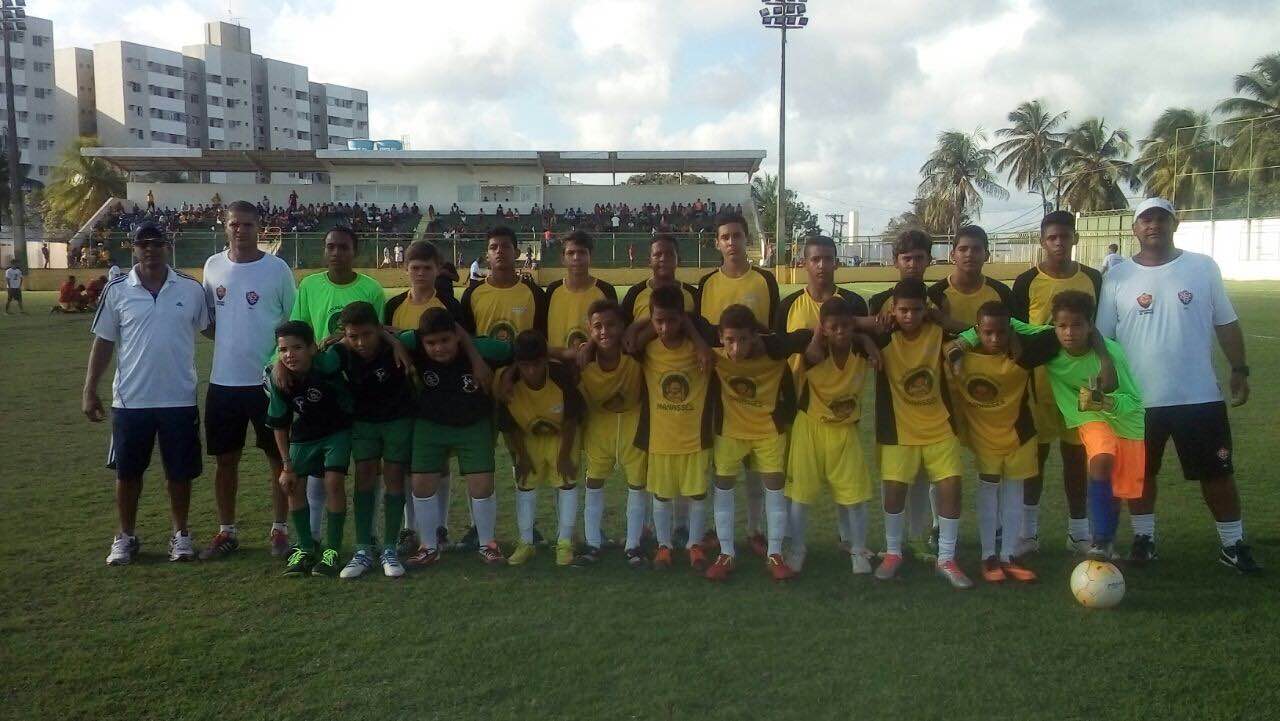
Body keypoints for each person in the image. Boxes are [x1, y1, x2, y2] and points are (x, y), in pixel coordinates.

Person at [1095, 197, 1260, 572]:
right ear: (1134, 229)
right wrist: (1103, 389)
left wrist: (1240, 369)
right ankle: (1144, 539)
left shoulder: (1202, 268)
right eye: (1145, 220)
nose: (1153, 225)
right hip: (1137, 400)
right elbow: (1103, 340)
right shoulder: (1117, 277)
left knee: (1218, 475)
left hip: (1199, 396)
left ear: (1175, 223)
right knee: (1139, 475)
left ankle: (1233, 545)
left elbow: (1226, 322)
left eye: (1161, 218)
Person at [958, 291, 1142, 562]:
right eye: (1062, 326)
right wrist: (966, 339)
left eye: (1077, 325)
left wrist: (1103, 363)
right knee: (1102, 461)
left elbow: (1131, 400)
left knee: (1118, 483)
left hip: (1123, 419)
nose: (1068, 333)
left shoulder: (1112, 353)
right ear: (1053, 326)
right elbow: (1010, 325)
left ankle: (1109, 539)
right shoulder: (1050, 344)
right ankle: (1100, 541)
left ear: (1090, 326)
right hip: (1089, 419)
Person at [83, 223, 209, 566]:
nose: (150, 250)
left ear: (167, 247)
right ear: (133, 248)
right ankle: (125, 536)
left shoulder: (190, 288)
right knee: (127, 473)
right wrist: (89, 389)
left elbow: (212, 330)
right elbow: (104, 341)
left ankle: (180, 534)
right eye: (143, 244)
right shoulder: (118, 289)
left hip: (179, 399)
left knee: (179, 473)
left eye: (157, 243)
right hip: (131, 401)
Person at [198, 201, 297, 560]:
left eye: (247, 225)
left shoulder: (277, 269)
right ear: (225, 227)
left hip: (269, 382)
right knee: (226, 460)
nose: (240, 230)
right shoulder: (212, 266)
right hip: (224, 382)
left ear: (260, 228)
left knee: (278, 458)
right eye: (234, 224)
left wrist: (279, 363)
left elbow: (291, 321)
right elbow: (208, 323)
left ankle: (280, 530)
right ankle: (227, 531)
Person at [1011, 211, 1102, 556]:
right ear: (1042, 241)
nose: (1059, 243)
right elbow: (1016, 334)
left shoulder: (1093, 278)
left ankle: (1078, 532)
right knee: (1035, 458)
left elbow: (1101, 329)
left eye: (1065, 236)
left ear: (1075, 239)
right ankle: (1028, 533)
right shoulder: (1026, 282)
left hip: (1084, 386)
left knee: (1078, 458)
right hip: (1040, 385)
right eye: (1052, 237)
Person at [871, 278, 971, 589]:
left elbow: (977, 330)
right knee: (894, 492)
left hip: (940, 426)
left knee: (951, 486)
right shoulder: (884, 336)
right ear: (892, 309)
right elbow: (839, 323)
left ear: (925, 309)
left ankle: (946, 558)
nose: (910, 317)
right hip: (898, 429)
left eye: (916, 310)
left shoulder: (938, 331)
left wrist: (942, 318)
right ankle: (892, 552)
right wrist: (874, 326)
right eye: (902, 310)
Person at [289, 225, 386, 546]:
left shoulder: (371, 288)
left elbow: (378, 336)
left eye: (343, 247)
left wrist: (345, 341)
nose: (336, 253)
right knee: (319, 470)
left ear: (354, 251)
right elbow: (299, 331)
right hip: (319, 390)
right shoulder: (309, 286)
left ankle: (368, 533)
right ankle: (314, 537)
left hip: (361, 388)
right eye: (330, 246)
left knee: (369, 466)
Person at [696, 210, 780, 555]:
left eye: (737, 236)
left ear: (748, 240)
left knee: (758, 467)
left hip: (758, 382)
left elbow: (774, 330)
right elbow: (703, 333)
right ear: (717, 242)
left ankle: (755, 529)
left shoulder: (764, 280)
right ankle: (720, 531)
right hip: (720, 382)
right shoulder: (708, 283)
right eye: (725, 237)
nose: (732, 242)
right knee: (724, 461)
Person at [706, 305, 810, 582]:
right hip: (729, 431)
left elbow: (806, 335)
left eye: (742, 339)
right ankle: (726, 552)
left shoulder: (776, 351)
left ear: (754, 336)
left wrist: (770, 340)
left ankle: (774, 553)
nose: (736, 348)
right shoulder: (715, 354)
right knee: (724, 486)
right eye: (729, 340)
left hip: (768, 432)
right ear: (720, 337)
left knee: (774, 488)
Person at [400, 308, 512, 567]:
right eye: (431, 343)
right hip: (431, 425)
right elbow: (380, 333)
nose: (438, 348)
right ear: (421, 340)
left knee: (481, 487)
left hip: (473, 424)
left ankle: (487, 544)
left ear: (457, 336)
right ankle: (428, 546)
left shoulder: (484, 348)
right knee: (421, 485)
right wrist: (393, 345)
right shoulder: (412, 342)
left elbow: (522, 352)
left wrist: (507, 375)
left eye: (445, 340)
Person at [943, 301, 1039, 583]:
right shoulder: (962, 355)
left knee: (1014, 492)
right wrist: (961, 349)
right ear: (977, 331)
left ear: (1010, 331)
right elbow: (947, 347)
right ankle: (988, 555)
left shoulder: (1023, 355)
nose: (994, 339)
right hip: (985, 436)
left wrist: (1018, 337)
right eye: (987, 333)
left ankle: (1009, 554)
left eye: (1000, 333)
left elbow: (1048, 336)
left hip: (1019, 434)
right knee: (988, 490)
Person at [788, 297, 879, 574]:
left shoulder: (861, 351)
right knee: (799, 496)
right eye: (833, 327)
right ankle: (797, 549)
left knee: (855, 495)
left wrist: (867, 341)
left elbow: (885, 327)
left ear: (852, 325)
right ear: (823, 329)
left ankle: (858, 549)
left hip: (845, 430)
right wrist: (819, 334)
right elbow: (812, 353)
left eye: (845, 326)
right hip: (810, 427)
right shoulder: (814, 350)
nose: (840, 332)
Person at [866, 229, 939, 562]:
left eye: (919, 258)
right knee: (893, 477)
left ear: (929, 260)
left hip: (931, 402)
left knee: (924, 477)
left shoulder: (939, 299)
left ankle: (918, 536)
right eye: (907, 258)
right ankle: (892, 542)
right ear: (895, 261)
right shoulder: (879, 302)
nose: (913, 264)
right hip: (891, 401)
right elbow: (859, 336)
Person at [327, 302, 414, 579]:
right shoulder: (339, 351)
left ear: (379, 329)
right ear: (344, 335)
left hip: (398, 418)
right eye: (353, 336)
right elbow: (310, 361)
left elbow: (425, 333)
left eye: (367, 334)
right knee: (364, 474)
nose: (361, 342)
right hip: (363, 421)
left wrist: (392, 338)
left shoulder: (398, 344)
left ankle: (390, 547)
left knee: (394, 475)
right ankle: (363, 547)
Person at [635, 285, 716, 570]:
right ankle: (664, 546)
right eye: (659, 321)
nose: (665, 327)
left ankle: (694, 545)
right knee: (662, 495)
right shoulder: (648, 349)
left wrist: (697, 338)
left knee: (696, 494)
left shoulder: (700, 348)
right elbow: (627, 342)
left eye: (672, 320)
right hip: (661, 437)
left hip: (695, 436)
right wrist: (649, 323)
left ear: (683, 318)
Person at [265, 320, 354, 577]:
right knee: (292, 485)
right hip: (305, 434)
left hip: (337, 430)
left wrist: (339, 338)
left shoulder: (327, 363)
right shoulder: (278, 377)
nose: (290, 355)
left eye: (297, 348)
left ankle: (332, 550)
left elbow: (349, 341)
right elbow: (280, 425)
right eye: (283, 350)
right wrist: (286, 466)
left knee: (333, 483)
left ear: (312, 348)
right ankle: (305, 547)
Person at [498, 331, 585, 567]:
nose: (531, 371)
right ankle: (526, 543)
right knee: (525, 483)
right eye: (525, 366)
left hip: (561, 436)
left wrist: (565, 455)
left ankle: (565, 542)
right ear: (517, 364)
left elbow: (571, 420)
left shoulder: (560, 378)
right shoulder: (508, 386)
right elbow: (510, 427)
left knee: (566, 480)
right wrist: (521, 457)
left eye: (536, 365)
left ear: (545, 360)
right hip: (529, 438)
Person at [575, 299, 648, 566]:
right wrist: (589, 345)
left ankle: (633, 545)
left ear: (623, 327)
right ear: (589, 328)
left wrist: (635, 327)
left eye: (611, 325)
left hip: (633, 425)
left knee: (637, 484)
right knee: (594, 481)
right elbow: (554, 356)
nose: (605, 331)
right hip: (598, 427)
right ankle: (592, 542)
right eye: (598, 327)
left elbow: (659, 319)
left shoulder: (635, 353)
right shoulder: (583, 360)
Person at [460, 227, 545, 343]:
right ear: (487, 256)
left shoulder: (535, 293)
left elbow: (541, 340)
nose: (499, 250)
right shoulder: (471, 294)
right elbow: (467, 340)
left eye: (505, 246)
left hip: (522, 361)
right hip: (485, 361)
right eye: (493, 247)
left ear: (517, 253)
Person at [541, 231, 617, 360]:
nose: (576, 257)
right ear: (562, 258)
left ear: (590, 256)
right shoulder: (552, 290)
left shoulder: (606, 291)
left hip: (594, 369)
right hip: (556, 369)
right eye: (571, 253)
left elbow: (615, 331)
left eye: (582, 252)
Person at [621, 234, 698, 326]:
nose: (663, 259)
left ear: (678, 260)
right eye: (657, 255)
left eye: (669, 254)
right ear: (649, 261)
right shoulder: (635, 293)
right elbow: (623, 331)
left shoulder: (693, 294)